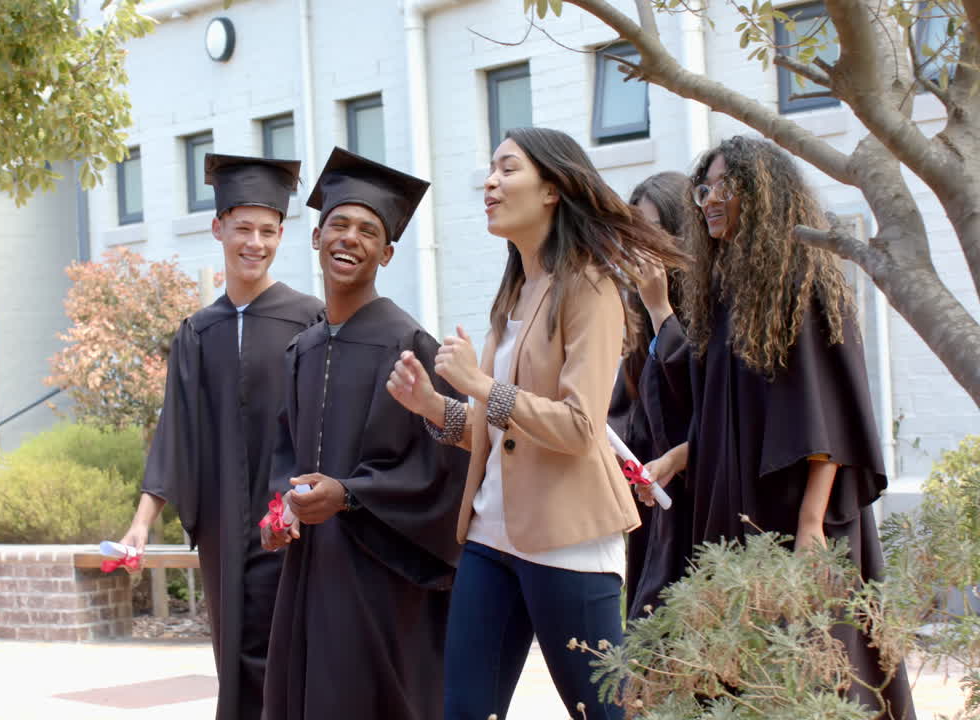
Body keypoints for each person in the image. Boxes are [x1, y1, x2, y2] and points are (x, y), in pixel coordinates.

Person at [386, 128, 684, 720]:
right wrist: (433, 408)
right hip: (491, 536)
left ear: (552, 188)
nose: (490, 183)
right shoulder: (515, 293)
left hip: (568, 540)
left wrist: (481, 385)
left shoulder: (591, 287)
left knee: (598, 712)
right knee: (467, 711)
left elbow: (578, 427)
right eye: (490, 170)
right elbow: (500, 431)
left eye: (508, 169)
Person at [639, 135, 916, 720]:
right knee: (746, 675)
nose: (709, 199)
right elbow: (734, 420)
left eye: (724, 187)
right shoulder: (727, 295)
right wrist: (677, 458)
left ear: (763, 194)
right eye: (703, 188)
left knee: (814, 669)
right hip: (738, 513)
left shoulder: (804, 284)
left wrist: (812, 525)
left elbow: (829, 415)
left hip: (798, 515)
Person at [259, 147, 469, 720]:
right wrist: (282, 511)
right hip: (311, 572)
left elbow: (443, 472)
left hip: (383, 582)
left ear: (388, 251)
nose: (349, 238)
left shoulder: (409, 345)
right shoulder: (301, 350)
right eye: (339, 224)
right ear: (316, 236)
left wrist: (350, 496)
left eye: (368, 231)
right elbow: (286, 452)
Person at [120, 153, 324, 720]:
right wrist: (141, 524)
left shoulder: (310, 320)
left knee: (286, 652)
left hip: (288, 520)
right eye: (242, 230)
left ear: (282, 234)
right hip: (222, 528)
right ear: (218, 230)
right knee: (232, 653)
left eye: (266, 231)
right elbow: (176, 429)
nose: (253, 243)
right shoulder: (198, 331)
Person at [603, 171, 694, 620]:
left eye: (655, 231)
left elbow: (702, 396)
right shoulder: (635, 305)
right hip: (655, 495)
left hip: (702, 493)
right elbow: (630, 405)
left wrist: (662, 309)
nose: (645, 246)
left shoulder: (712, 304)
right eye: (637, 232)